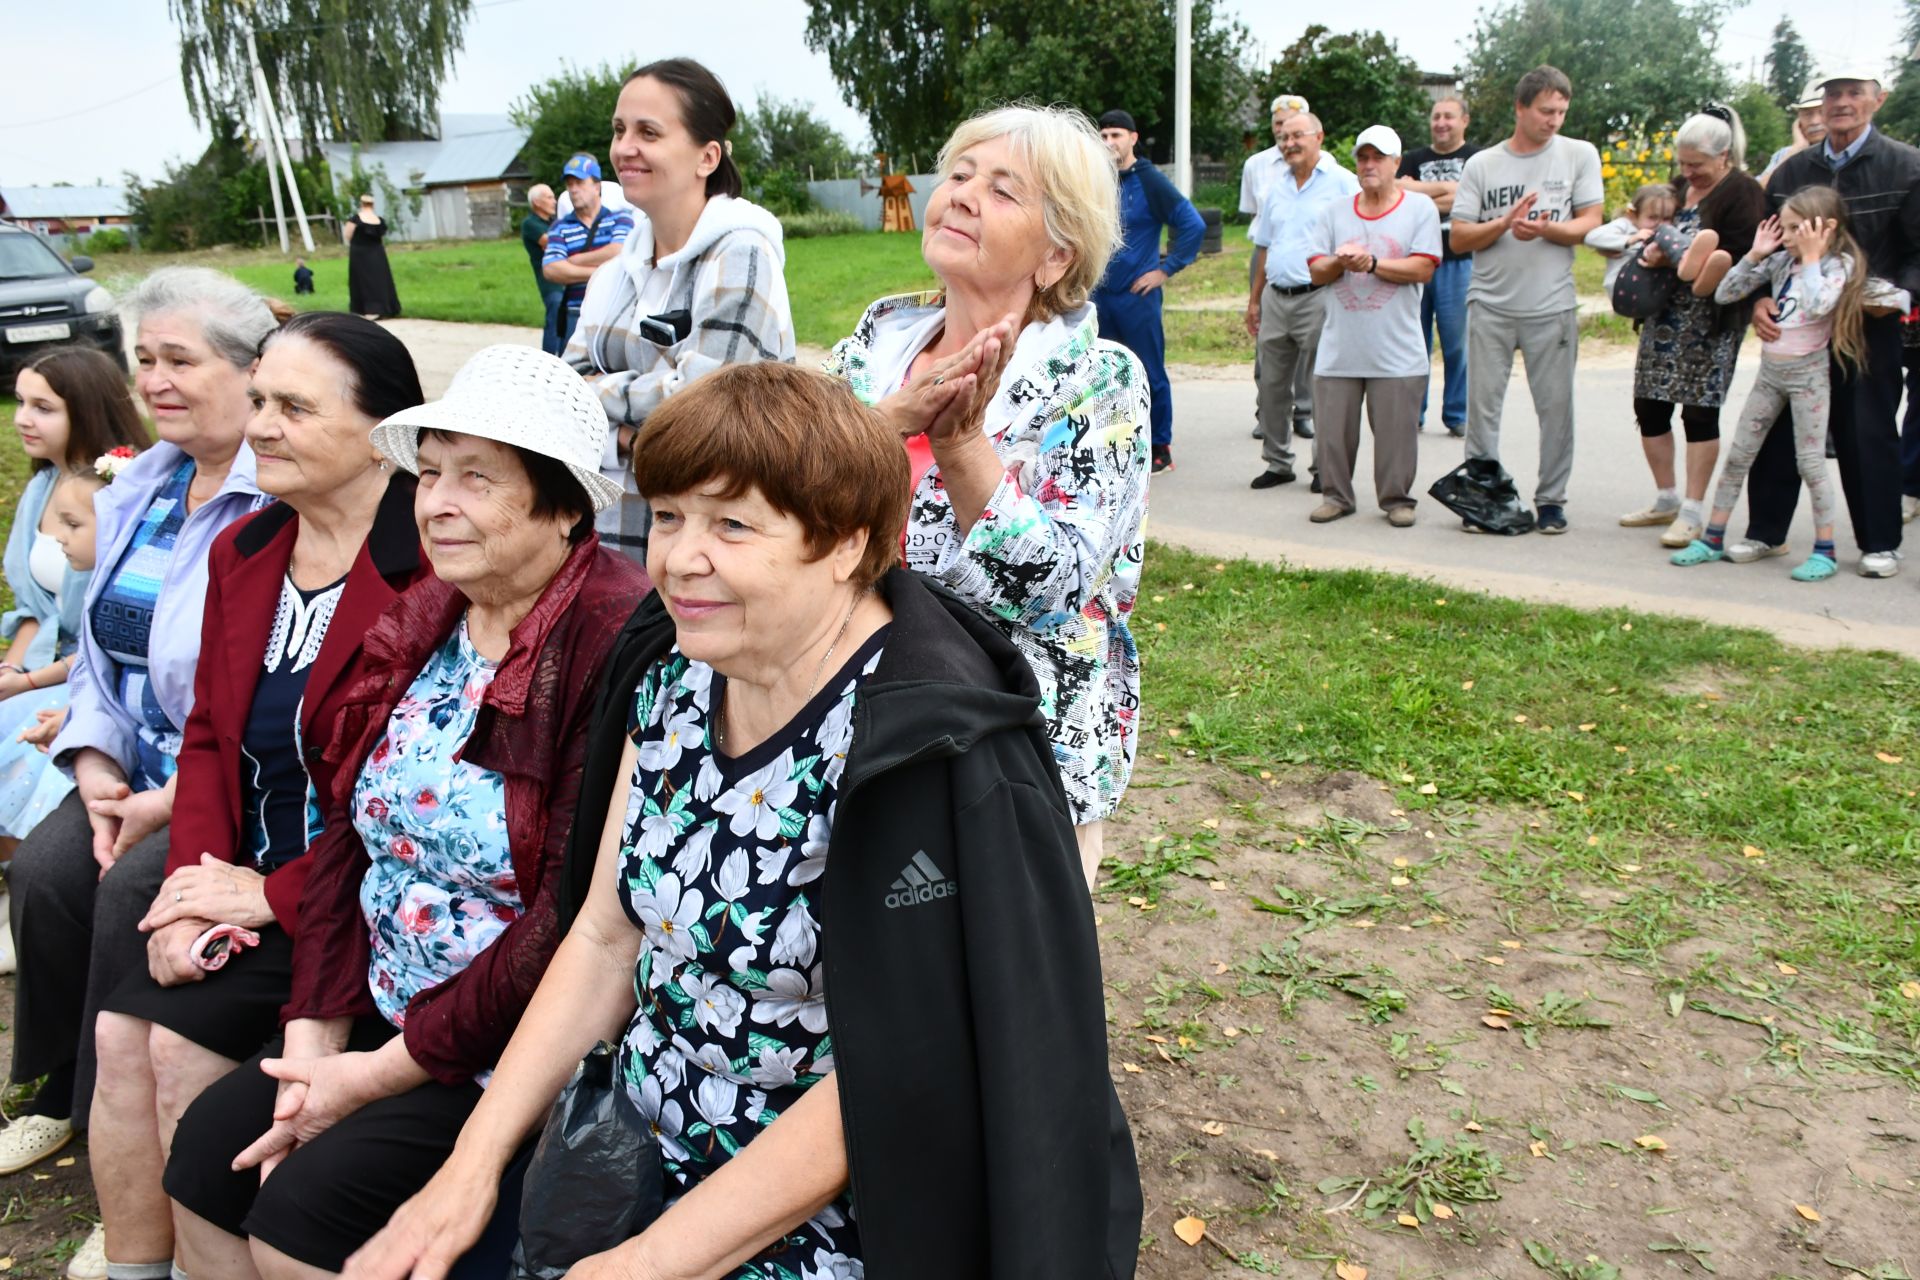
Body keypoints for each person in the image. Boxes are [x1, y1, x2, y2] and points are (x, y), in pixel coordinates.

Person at [343, 362, 1142, 1280]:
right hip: (628, 1143)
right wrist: (471, 1166)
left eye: (732, 524)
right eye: (670, 516)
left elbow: (903, 1073)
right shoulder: (673, 673)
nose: (680, 559)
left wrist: (648, 1265)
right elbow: (606, 934)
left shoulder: (927, 748)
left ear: (844, 544)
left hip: (848, 1205)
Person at [159, 343, 648, 1278]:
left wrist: (368, 1079)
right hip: (385, 1005)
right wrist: (313, 1045)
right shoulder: (432, 611)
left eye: (477, 478)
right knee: (206, 1160)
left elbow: (561, 918)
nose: (437, 503)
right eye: (427, 475)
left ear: (563, 506)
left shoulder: (610, 641)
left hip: (503, 1048)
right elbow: (350, 831)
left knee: (299, 1220)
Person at [80, 314, 432, 1280]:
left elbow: (412, 811)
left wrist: (264, 898)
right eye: (261, 401)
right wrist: (188, 890)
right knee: (119, 1030)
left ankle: (208, 1256)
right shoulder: (250, 550)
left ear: (379, 431)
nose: (261, 427)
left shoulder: (430, 569)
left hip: (357, 903)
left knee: (174, 1051)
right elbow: (207, 737)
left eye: (292, 408)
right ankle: (135, 1269)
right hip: (243, 886)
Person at [1, 270, 274, 1209]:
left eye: (180, 360)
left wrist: (161, 796)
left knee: (127, 892)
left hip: (214, 774)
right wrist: (93, 762)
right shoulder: (142, 484)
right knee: (43, 873)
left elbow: (247, 692)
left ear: (249, 373)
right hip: (124, 761)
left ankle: (118, 1154)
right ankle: (51, 1089)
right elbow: (97, 660)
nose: (155, 379)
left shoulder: (269, 494)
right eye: (144, 359)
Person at [822, 104, 1148, 887]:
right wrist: (884, 424)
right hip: (847, 729)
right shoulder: (874, 347)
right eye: (960, 175)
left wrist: (962, 444)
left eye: (1004, 191)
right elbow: (787, 507)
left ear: (1056, 254)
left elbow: (1057, 589)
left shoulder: (1096, 381)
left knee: (1004, 993)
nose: (962, 194)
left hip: (1009, 751)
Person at [566, 58, 795, 561]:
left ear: (707, 157)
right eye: (620, 129)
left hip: (708, 557)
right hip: (607, 545)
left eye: (649, 132)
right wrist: (633, 426)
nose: (625, 147)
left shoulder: (741, 255)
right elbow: (555, 400)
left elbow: (709, 409)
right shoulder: (612, 276)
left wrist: (602, 415)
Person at [1734, 69, 1920, 578]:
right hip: (1795, 327)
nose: (1841, 103)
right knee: (1777, 429)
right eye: (1833, 93)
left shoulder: (1906, 166)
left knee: (1867, 431)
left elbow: (1917, 253)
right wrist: (1757, 300)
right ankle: (1766, 533)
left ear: (1876, 100)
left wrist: (1901, 296)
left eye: (1853, 93)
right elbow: (1766, 247)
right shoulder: (1794, 172)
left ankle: (1879, 543)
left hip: (1864, 326)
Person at [1675, 190, 1891, 581]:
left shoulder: (1836, 266)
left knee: (1810, 463)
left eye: (1796, 229)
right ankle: (1713, 538)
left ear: (1826, 228)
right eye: (1784, 227)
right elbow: (1725, 293)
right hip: (1770, 375)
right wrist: (1756, 254)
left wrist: (1810, 258)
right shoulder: (1779, 262)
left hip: (1808, 378)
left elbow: (1818, 306)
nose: (1787, 236)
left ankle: (1824, 550)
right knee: (1739, 455)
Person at [1448, 65, 1604, 534]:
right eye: (1544, 111)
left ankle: (1551, 500)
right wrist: (1501, 225)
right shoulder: (1483, 165)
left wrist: (1548, 230)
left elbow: (1591, 221)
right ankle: (1484, 497)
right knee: (1482, 410)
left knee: (1556, 409)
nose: (1553, 120)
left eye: (1561, 111)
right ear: (1520, 108)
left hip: (1551, 307)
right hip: (1491, 306)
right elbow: (1458, 239)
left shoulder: (1579, 155)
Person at [1, 349, 150, 843]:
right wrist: (10, 670)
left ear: (84, 410)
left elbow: (111, 630)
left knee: (24, 741)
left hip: (88, 674)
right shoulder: (43, 486)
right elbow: (32, 608)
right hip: (41, 666)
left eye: (43, 408)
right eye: (21, 402)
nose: (23, 419)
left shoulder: (116, 492)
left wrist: (28, 685)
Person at [1613, 108, 1768, 548]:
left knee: (1699, 413)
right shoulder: (1681, 190)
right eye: (1683, 164)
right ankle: (1665, 497)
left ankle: (1693, 509)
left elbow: (1748, 258)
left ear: (1723, 156)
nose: (1687, 173)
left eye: (1696, 164)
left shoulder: (1743, 192)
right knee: (1650, 407)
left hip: (1711, 319)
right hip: (1664, 315)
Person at [1305, 126, 1441, 526]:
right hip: (1340, 348)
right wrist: (1340, 262)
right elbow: (1316, 272)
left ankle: (1397, 499)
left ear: (1396, 163)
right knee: (1333, 435)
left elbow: (1424, 267)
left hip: (1396, 350)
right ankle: (1336, 496)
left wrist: (1374, 264)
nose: (1368, 165)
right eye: (1362, 158)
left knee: (1397, 434)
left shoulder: (1419, 209)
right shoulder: (1334, 212)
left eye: (1378, 158)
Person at [1246, 112, 1359, 490]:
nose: (1289, 143)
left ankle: (1323, 469)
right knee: (1271, 386)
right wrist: (1254, 300)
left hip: (1320, 297)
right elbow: (1264, 246)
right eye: (1284, 137)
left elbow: (1362, 231)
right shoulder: (1277, 187)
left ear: (1319, 136)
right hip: (1277, 297)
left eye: (1298, 136)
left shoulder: (1343, 182)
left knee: (1323, 386)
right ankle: (1278, 463)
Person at [1092, 107, 1204, 474]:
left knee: (1149, 372)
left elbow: (1192, 225)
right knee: (1104, 374)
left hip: (1138, 297)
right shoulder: (1096, 180)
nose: (1109, 143)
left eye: (1116, 136)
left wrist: (1164, 270)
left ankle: (1160, 447)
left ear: (1133, 138)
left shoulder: (1149, 180)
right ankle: (1114, 442)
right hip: (1098, 297)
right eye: (1104, 136)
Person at [1397, 95, 1482, 436]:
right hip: (1416, 260)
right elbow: (1400, 196)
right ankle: (1412, 412)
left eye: (1448, 116)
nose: (1441, 123)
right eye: (1436, 116)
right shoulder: (1414, 158)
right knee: (1414, 340)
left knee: (1457, 342)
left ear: (1464, 120)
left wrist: (1421, 192)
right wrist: (1451, 190)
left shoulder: (1478, 159)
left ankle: (1457, 414)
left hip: (1459, 262)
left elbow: (1474, 196)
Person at [544, 154, 636, 353]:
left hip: (614, 311)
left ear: (596, 186)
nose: (573, 189)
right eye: (569, 184)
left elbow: (619, 251)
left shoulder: (621, 219)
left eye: (579, 182)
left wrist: (574, 261)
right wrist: (603, 271)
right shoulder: (560, 227)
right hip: (574, 313)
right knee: (571, 375)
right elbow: (551, 268)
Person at [1585, 182, 1677, 293]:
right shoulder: (1625, 225)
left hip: (1653, 291)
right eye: (1652, 217)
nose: (1660, 224)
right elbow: (1591, 237)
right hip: (1623, 290)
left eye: (1667, 218)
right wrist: (1629, 240)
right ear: (1633, 215)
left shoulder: (1667, 234)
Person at [520, 184, 565, 356]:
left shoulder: (555, 222)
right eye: (549, 197)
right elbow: (551, 243)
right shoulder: (530, 224)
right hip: (549, 281)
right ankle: (549, 358)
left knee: (566, 319)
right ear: (537, 202)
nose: (554, 201)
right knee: (554, 318)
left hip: (565, 278)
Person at [344, 196, 401, 321]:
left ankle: (365, 308)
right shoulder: (379, 220)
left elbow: (347, 235)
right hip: (377, 253)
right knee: (380, 279)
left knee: (361, 280)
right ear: (373, 205)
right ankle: (385, 308)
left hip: (359, 252)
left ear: (361, 204)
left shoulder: (356, 219)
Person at [1760, 88, 1829, 181]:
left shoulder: (1843, 154)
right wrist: (1796, 149)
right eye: (1808, 114)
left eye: (1822, 112)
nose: (1814, 122)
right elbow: (1757, 191)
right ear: (1798, 122)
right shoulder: (1784, 155)